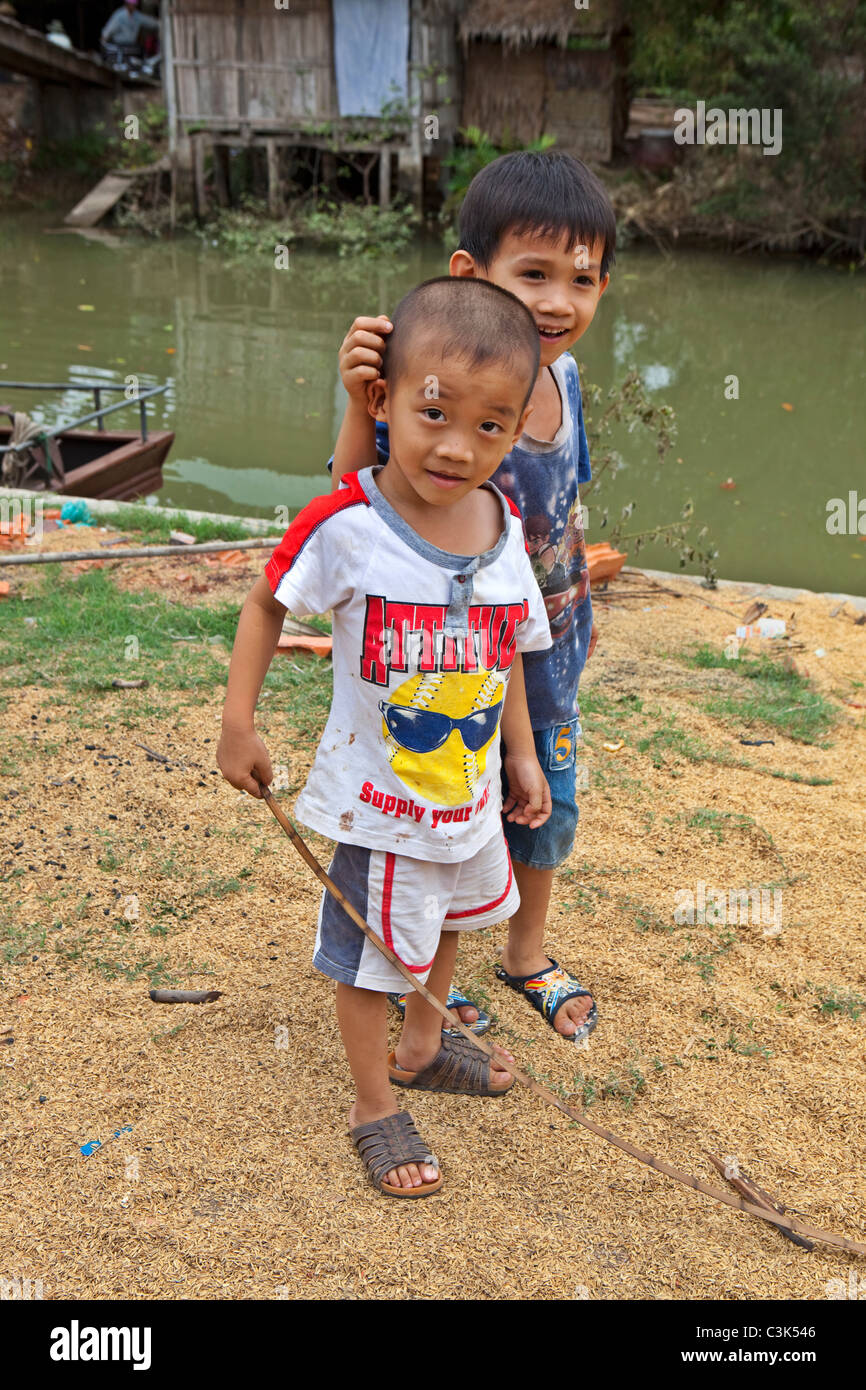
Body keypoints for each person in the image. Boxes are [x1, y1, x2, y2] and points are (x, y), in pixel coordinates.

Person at [218, 276, 553, 1198]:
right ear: (383, 400)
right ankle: (374, 1104)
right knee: (373, 955)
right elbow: (262, 604)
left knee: (447, 922)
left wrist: (520, 753)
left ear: (520, 424)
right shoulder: (349, 524)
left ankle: (421, 1045)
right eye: (434, 412)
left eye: (490, 425)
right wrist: (236, 724)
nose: (456, 446)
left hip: (467, 795)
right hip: (380, 803)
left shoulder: (502, 527)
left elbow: (510, 647)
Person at [330, 151, 615, 1043]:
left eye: (583, 278)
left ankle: (525, 950)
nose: (559, 301)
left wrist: (574, 613)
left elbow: (568, 503)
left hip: (551, 646)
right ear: (471, 273)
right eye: (533, 274)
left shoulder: (562, 377)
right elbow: (350, 508)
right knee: (441, 816)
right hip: (450, 660)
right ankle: (423, 975)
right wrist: (355, 403)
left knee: (545, 804)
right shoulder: (436, 392)